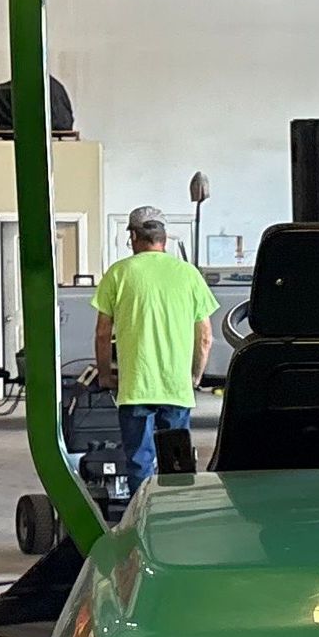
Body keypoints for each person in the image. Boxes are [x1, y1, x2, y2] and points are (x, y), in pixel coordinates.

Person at [93, 205, 218, 495]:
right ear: (164, 238)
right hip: (176, 387)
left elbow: (102, 334)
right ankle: (175, 513)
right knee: (176, 461)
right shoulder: (188, 274)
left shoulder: (118, 273)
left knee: (139, 460)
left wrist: (105, 376)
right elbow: (205, 337)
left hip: (135, 385)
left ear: (134, 237)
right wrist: (194, 376)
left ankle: (141, 514)